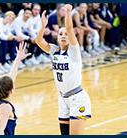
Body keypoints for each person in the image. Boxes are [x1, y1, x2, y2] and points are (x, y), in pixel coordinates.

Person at [36, 4, 92, 135]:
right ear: (57, 36)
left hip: (77, 98)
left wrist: (68, 12)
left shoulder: (73, 51)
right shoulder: (54, 51)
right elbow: (38, 41)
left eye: (66, 34)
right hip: (63, 99)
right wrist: (43, 27)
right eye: (60, 34)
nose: (63, 36)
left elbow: (69, 28)